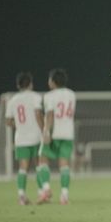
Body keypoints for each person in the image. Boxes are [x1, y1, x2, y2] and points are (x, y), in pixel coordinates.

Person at [36, 68, 76, 205]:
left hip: (55, 132)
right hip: (68, 133)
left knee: (42, 158)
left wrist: (46, 131)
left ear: (52, 81)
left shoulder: (49, 96)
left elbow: (50, 115)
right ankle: (64, 195)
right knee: (64, 164)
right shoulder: (72, 94)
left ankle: (46, 189)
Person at [5, 72, 43, 206]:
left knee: (23, 168)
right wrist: (44, 130)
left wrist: (19, 125)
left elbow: (8, 121)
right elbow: (38, 114)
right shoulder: (36, 97)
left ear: (18, 85)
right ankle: (41, 193)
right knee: (39, 166)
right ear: (31, 84)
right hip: (36, 137)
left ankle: (21, 195)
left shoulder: (12, 100)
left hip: (21, 138)